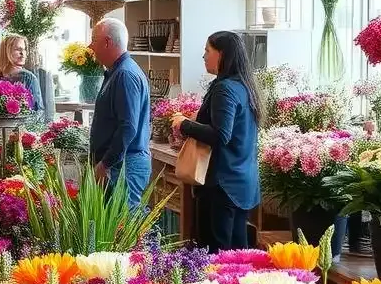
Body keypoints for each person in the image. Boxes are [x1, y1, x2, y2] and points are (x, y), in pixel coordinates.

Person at [172, 30, 262, 252]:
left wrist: (183, 124)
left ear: (222, 54)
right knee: (236, 259)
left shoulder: (224, 88)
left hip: (222, 185)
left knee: (214, 257)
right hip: (241, 182)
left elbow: (221, 135)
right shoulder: (244, 86)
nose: (203, 56)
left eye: (207, 51)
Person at [88, 18, 151, 206]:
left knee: (123, 227)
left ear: (107, 42)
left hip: (124, 165)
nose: (90, 46)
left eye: (94, 40)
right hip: (119, 164)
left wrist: (105, 163)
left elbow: (128, 127)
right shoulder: (117, 72)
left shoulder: (125, 75)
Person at [0, 34, 44, 118]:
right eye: (18, 49)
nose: (23, 53)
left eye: (24, 49)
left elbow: (38, 111)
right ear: (6, 52)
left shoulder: (28, 77)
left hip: (23, 128)